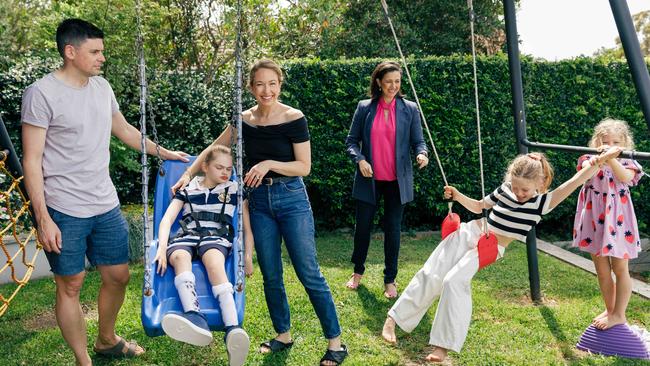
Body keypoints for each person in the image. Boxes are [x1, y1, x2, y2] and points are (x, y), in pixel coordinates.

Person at [21, 18, 188, 365]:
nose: (102, 58)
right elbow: (32, 161)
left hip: (105, 202)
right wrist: (44, 218)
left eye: (102, 52)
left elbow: (124, 130)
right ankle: (84, 359)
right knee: (70, 284)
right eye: (94, 51)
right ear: (70, 52)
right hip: (63, 208)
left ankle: (106, 339)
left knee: (119, 275)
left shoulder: (102, 88)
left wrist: (163, 151)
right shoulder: (41, 93)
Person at [173, 59, 348, 365]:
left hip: (291, 197)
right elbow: (213, 149)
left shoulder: (295, 118)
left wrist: (268, 164)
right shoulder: (243, 120)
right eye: (259, 84)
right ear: (251, 87)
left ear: (279, 84)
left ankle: (336, 342)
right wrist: (188, 175)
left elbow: (303, 166)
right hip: (258, 202)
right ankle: (283, 334)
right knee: (271, 274)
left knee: (309, 273)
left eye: (272, 84)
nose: (266, 90)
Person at [381, 148, 621, 363]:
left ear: (540, 183)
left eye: (524, 189)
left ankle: (442, 346)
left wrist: (600, 161)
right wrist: (457, 195)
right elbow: (479, 207)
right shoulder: (506, 189)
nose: (518, 193)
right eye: (515, 187)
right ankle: (394, 319)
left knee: (454, 281)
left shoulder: (543, 203)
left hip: (491, 246)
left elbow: (575, 181)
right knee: (432, 272)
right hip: (470, 231)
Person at [154, 145, 252, 365]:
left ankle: (232, 328)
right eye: (219, 167)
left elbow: (247, 226)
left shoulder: (234, 189)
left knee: (214, 261)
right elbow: (167, 220)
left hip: (215, 238)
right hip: (186, 236)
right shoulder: (187, 189)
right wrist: (161, 248)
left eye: (228, 168)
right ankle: (194, 317)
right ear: (205, 167)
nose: (225, 172)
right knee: (179, 256)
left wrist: (248, 256)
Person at [344, 61, 429, 298]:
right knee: (362, 228)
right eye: (389, 81)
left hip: (396, 181)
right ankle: (357, 272)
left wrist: (422, 154)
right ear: (379, 82)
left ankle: (390, 279)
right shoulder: (364, 108)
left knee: (393, 230)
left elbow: (418, 141)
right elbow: (351, 141)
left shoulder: (410, 109)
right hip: (368, 179)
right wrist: (360, 160)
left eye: (397, 81)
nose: (393, 86)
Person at [571, 118, 644, 330]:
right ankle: (610, 308)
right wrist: (599, 159)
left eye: (616, 142)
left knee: (620, 268)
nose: (610, 145)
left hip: (618, 221)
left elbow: (625, 177)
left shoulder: (629, 162)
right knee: (602, 271)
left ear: (624, 143)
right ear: (597, 143)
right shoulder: (588, 158)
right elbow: (585, 171)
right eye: (605, 141)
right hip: (594, 219)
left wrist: (612, 158)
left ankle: (619, 314)